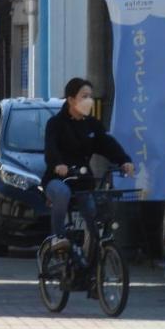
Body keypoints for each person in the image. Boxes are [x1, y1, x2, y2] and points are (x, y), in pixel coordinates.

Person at [42, 77, 134, 251]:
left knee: (92, 210)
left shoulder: (92, 125)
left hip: (83, 180)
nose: (89, 100)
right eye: (84, 96)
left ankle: (92, 250)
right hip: (58, 179)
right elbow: (50, 148)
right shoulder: (55, 123)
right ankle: (57, 237)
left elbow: (107, 144)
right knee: (61, 193)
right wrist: (58, 164)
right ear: (70, 99)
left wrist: (124, 160)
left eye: (90, 96)